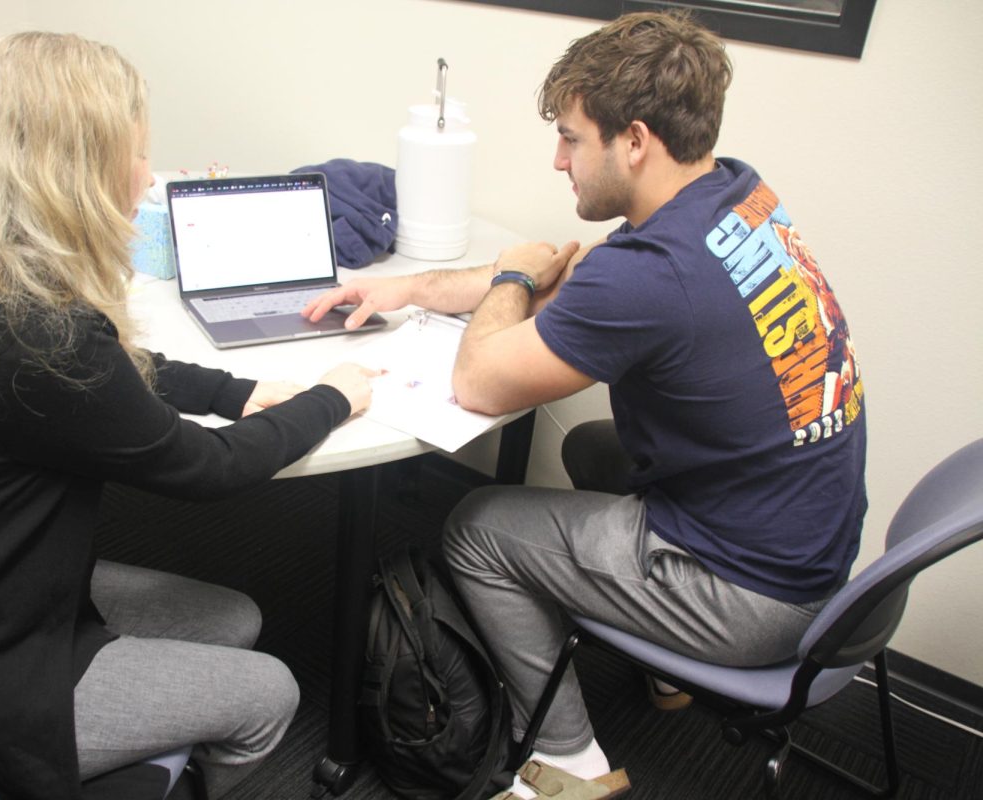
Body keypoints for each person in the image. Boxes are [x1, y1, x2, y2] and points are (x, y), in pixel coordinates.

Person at [0, 32, 377, 800]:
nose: (146, 177)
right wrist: (330, 396)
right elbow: (206, 468)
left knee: (228, 617)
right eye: (137, 155)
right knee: (268, 692)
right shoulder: (35, 330)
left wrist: (232, 391)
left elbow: (99, 379)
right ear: (74, 172)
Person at [304, 10, 866, 799]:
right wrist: (404, 289)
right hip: (813, 552)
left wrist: (508, 276)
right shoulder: (731, 196)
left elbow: (479, 381)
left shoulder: (651, 275)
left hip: (753, 597)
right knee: (593, 449)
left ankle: (568, 765)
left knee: (478, 528)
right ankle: (665, 674)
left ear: (634, 140)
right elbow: (566, 282)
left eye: (572, 137)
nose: (558, 159)